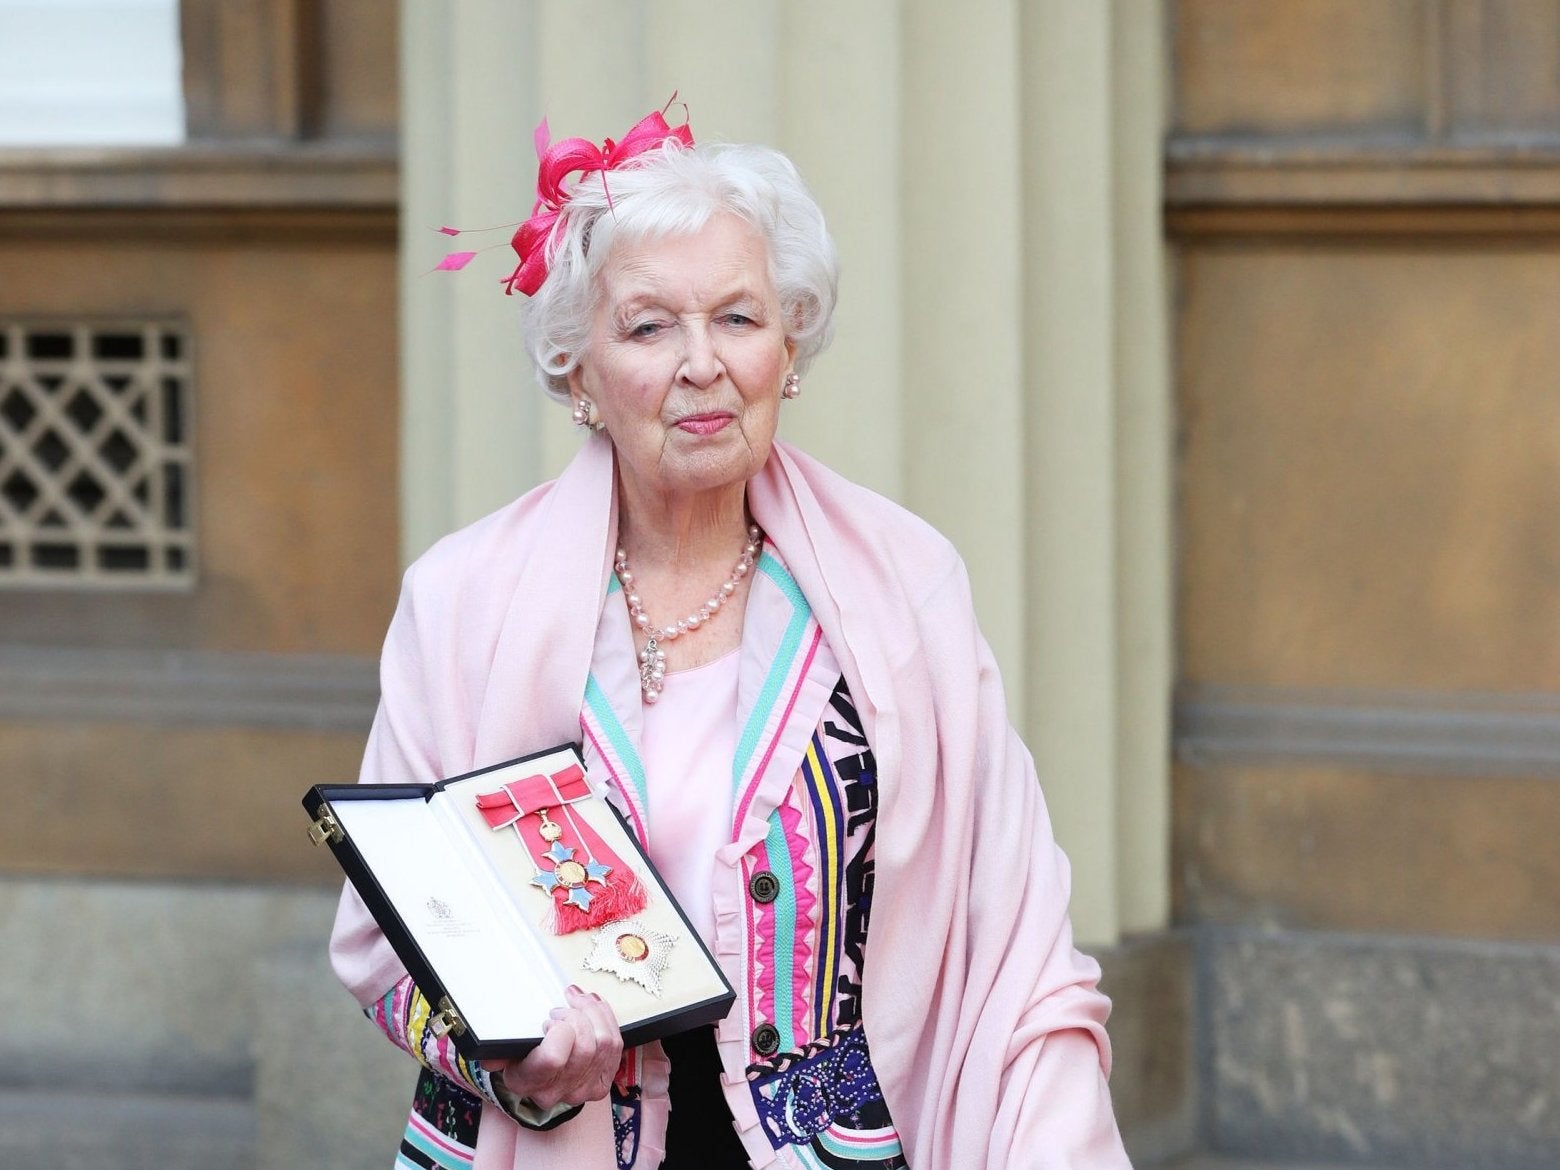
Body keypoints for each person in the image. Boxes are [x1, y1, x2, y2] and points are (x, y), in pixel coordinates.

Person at [330, 103, 1130, 1170]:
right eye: (649, 326)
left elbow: (1019, 949)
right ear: (578, 371)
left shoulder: (907, 583)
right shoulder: (460, 602)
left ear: (789, 346)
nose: (702, 364)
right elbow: (387, 954)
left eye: (738, 319)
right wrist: (507, 1056)